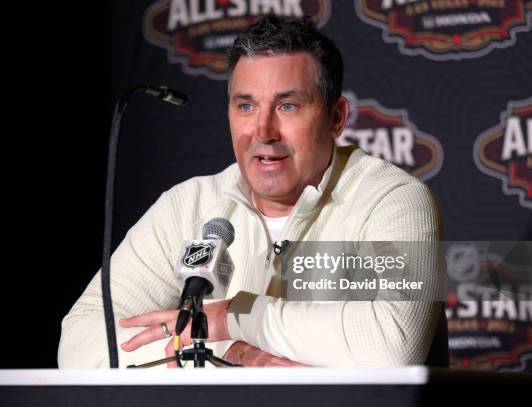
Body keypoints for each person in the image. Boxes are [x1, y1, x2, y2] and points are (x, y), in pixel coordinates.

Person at [58, 15, 448, 368]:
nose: (263, 132)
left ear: (336, 117)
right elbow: (81, 341)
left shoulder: (392, 200)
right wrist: (227, 355)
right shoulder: (185, 206)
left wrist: (231, 317)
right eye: (246, 106)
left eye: (288, 106)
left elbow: (390, 342)